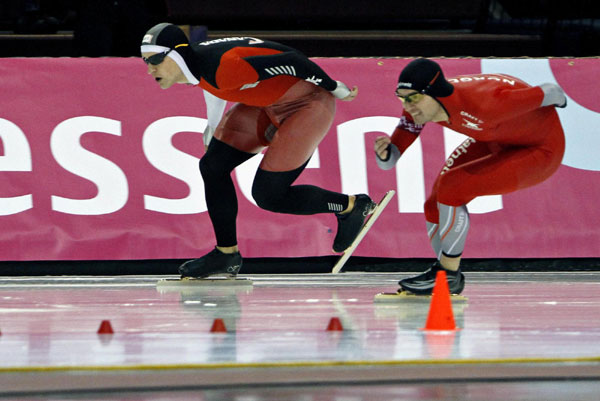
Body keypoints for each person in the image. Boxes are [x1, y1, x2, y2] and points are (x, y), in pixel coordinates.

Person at [140, 23, 376, 278]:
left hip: (307, 104)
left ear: (176, 54)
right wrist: (211, 126)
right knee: (212, 165)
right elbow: (211, 84)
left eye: (155, 59)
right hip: (265, 102)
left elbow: (294, 62)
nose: (151, 69)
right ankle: (226, 255)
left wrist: (333, 86)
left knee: (268, 195)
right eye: (146, 62)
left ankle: (350, 206)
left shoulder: (226, 65)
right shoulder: (198, 63)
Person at [375, 58, 567, 295]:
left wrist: (560, 103)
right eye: (401, 97)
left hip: (540, 151)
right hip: (495, 139)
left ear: (435, 93)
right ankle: (442, 271)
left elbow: (552, 91)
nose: (407, 106)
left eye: (412, 98)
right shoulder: (418, 104)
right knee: (435, 202)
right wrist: (386, 155)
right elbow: (391, 159)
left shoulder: (487, 105)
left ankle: (448, 274)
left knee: (452, 186)